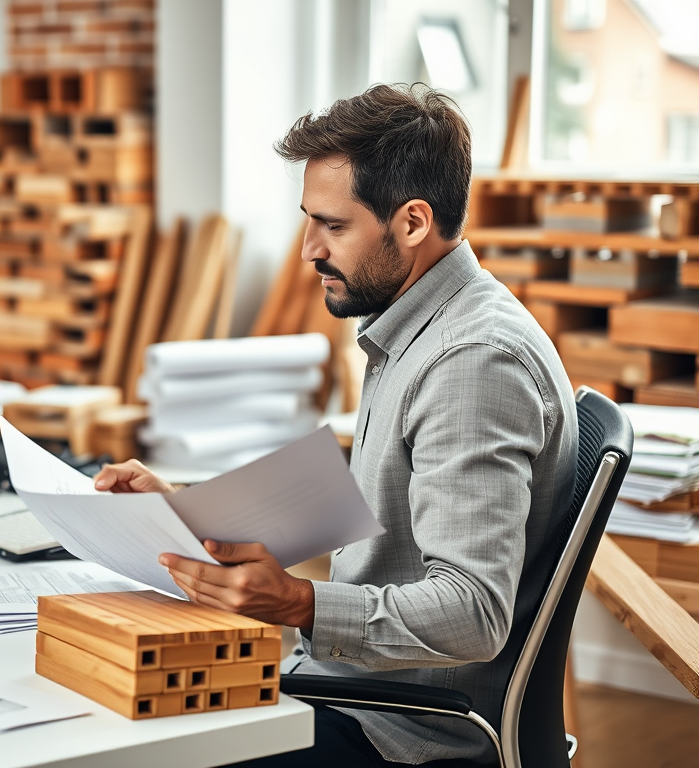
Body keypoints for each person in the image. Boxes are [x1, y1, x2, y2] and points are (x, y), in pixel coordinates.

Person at [93, 83, 578, 767]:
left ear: (412, 223)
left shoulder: (473, 363)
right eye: (308, 220)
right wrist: (182, 512)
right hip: (355, 693)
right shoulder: (419, 324)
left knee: (136, 748)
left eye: (334, 226)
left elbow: (473, 612)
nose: (307, 251)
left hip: (401, 733)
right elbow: (388, 517)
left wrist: (298, 603)